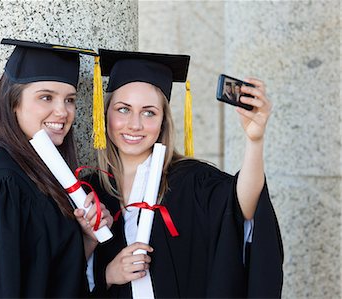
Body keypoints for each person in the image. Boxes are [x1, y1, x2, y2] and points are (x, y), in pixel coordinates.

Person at [86, 49, 283, 298]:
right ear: (105, 115)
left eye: (149, 112)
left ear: (163, 122)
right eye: (123, 109)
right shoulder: (89, 188)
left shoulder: (191, 179)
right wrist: (109, 275)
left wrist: (255, 141)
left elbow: (242, 206)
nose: (135, 124)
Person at [0, 38, 112, 298]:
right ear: (13, 102)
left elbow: (47, 279)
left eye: (70, 100)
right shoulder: (0, 182)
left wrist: (87, 238)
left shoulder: (48, 177)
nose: (62, 112)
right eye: (46, 97)